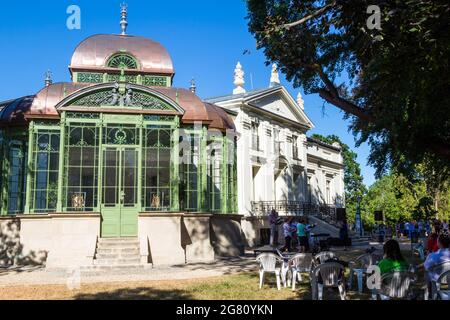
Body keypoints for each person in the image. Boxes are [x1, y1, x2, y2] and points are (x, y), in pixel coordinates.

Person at [421, 233, 450, 297]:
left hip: (438, 284)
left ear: (439, 243)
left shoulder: (433, 256)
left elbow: (426, 267)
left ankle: (429, 291)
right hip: (446, 284)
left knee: (427, 272)